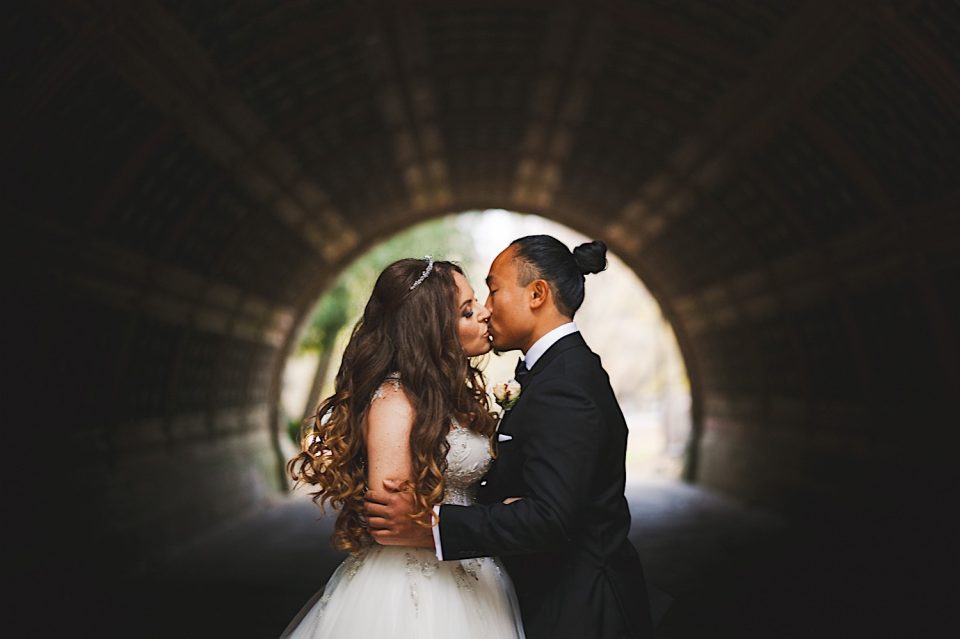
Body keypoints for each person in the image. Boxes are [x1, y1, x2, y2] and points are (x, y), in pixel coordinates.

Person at [364, 236, 654, 639]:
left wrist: (431, 528)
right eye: (472, 304)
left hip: (580, 610)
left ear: (537, 294)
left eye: (494, 289)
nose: (486, 307)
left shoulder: (564, 383)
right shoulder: (552, 374)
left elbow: (551, 517)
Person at [280, 257, 525, 639]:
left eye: (476, 302)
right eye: (467, 311)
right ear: (433, 330)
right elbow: (391, 521)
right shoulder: (395, 399)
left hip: (472, 568)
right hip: (413, 586)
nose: (484, 314)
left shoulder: (451, 396)